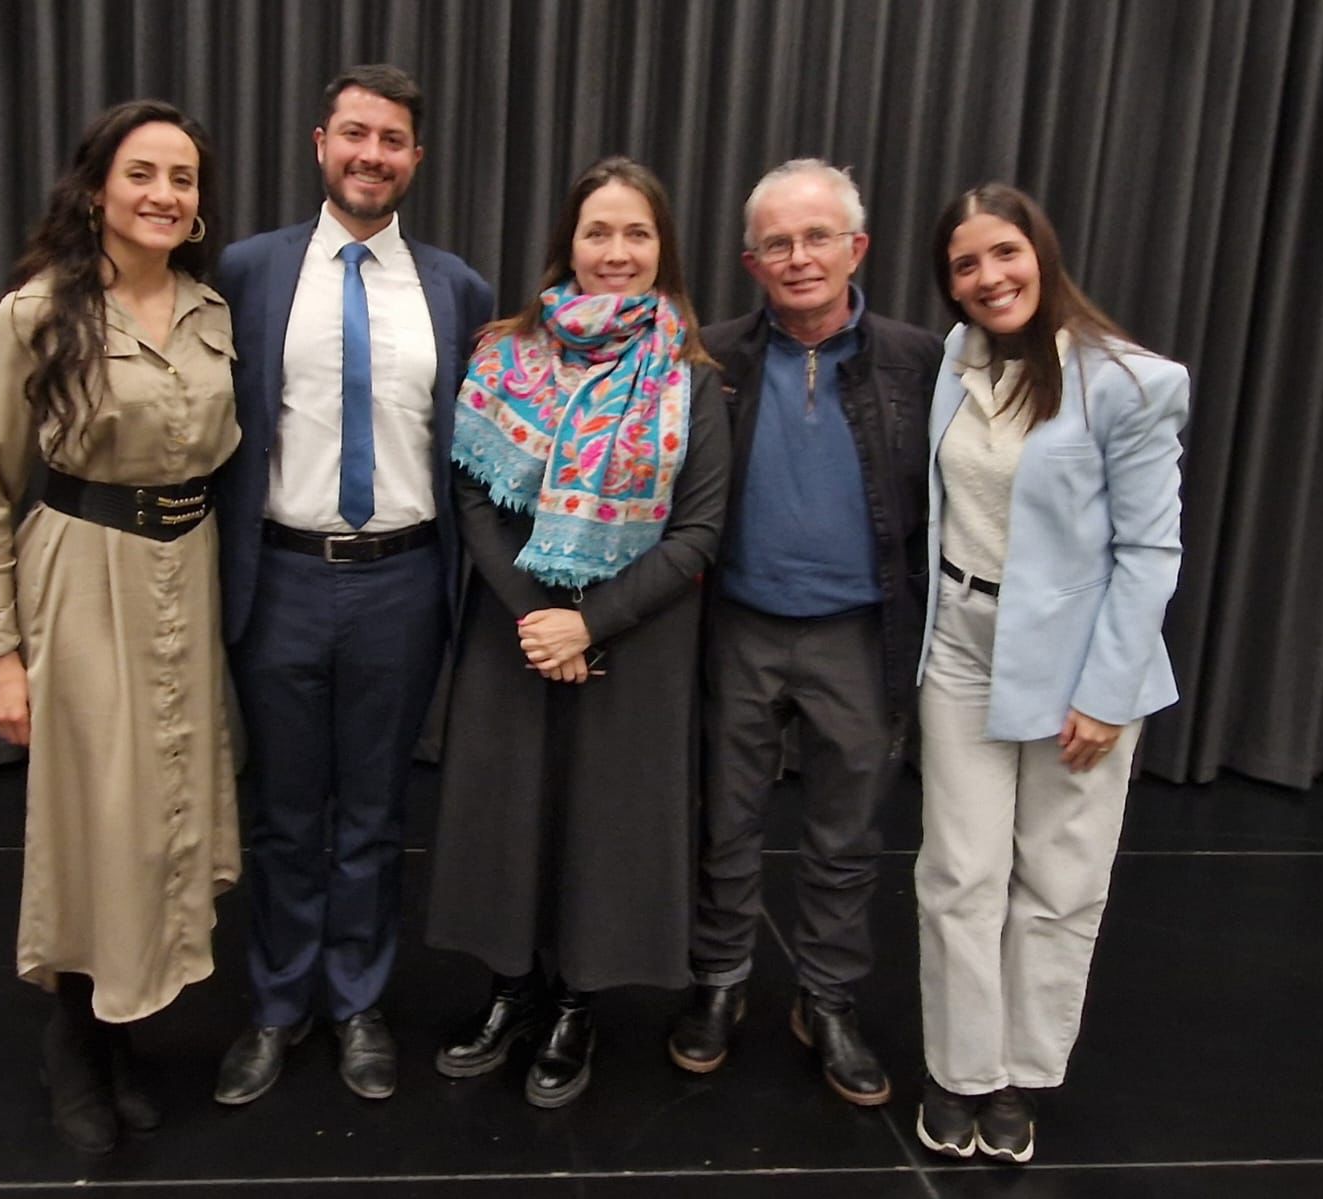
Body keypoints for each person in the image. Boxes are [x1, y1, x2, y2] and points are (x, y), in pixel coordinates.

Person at [0, 100, 238, 1153]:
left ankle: (126, 1026)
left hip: (186, 578)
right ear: (97, 188)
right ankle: (72, 1037)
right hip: (81, 579)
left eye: (184, 178)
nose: (165, 194)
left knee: (162, 809)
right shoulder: (35, 314)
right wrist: (1, 653)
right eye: (143, 173)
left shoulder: (213, 311)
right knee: (88, 817)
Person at [210, 64, 492, 1106]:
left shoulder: (457, 290)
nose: (372, 155)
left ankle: (358, 1000)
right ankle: (279, 1002)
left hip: (404, 584)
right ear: (320, 143)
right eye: (355, 135)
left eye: (393, 140)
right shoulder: (248, 270)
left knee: (374, 809)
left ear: (415, 159)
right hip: (280, 576)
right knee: (285, 812)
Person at [425, 156, 729, 1109]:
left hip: (634, 637)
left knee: (603, 822)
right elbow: (473, 493)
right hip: (512, 627)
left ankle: (576, 1004)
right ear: (569, 243)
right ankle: (511, 989)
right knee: (509, 810)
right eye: (599, 232)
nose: (616, 252)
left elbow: (700, 532)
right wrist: (536, 615)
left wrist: (589, 622)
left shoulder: (692, 373)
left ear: (662, 249)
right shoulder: (504, 350)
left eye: (637, 234)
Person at [913, 183, 1188, 1164]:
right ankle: (961, 1071)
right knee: (959, 871)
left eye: (1004, 253)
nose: (989, 277)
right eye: (965, 264)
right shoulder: (952, 361)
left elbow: (1150, 551)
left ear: (1042, 253)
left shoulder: (1130, 381)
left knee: (1058, 882)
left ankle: (1020, 1080)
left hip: (1080, 666)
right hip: (961, 643)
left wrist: (1107, 693)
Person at [668, 160, 940, 1107]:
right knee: (725, 821)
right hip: (735, 624)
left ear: (856, 247)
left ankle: (826, 997)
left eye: (817, 236)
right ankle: (721, 979)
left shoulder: (919, 360)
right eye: (778, 242)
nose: (799, 257)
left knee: (845, 834)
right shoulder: (713, 358)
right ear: (751, 260)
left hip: (860, 634)